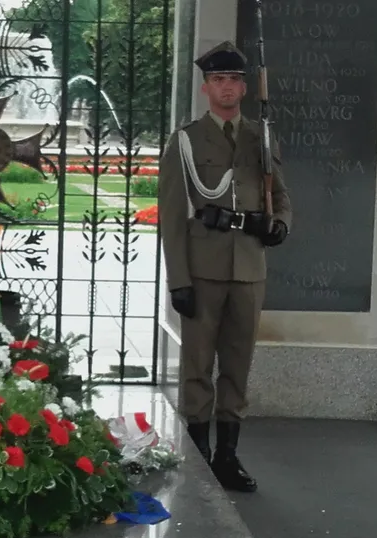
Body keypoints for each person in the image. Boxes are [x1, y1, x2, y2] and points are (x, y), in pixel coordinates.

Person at [157, 40, 292, 493]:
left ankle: (227, 457)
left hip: (249, 270)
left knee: (237, 366)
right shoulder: (187, 141)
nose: (228, 87)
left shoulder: (262, 137)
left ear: (244, 87)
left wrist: (280, 226)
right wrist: (179, 281)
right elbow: (173, 219)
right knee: (198, 367)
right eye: (219, 79)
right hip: (202, 269)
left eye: (235, 79)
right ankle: (197, 459)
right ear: (205, 88)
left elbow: (282, 197)